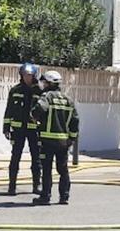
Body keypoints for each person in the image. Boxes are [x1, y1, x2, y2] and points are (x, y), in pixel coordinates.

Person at [32, 70, 78, 206]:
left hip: (47, 140)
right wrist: (72, 138)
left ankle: (45, 197)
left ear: (49, 83)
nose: (43, 84)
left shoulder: (47, 96)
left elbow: (38, 109)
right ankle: (64, 197)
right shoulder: (68, 99)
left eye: (44, 82)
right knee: (63, 169)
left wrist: (34, 116)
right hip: (64, 142)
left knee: (46, 169)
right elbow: (75, 121)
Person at [2, 63, 42, 195]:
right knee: (15, 157)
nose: (27, 78)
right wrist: (6, 127)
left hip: (34, 130)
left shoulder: (40, 91)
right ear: (21, 75)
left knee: (36, 158)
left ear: (34, 75)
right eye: (25, 75)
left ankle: (37, 185)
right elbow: (9, 109)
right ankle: (12, 186)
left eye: (29, 75)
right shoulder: (15, 90)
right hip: (18, 129)